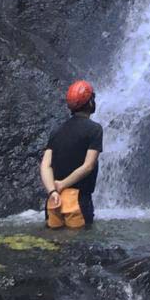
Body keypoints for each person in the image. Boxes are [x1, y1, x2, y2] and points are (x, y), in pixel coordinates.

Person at [40, 79, 103, 229]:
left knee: (54, 245)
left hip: (54, 201)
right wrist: (63, 184)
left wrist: (53, 190)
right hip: (78, 200)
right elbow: (88, 166)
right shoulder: (94, 129)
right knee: (78, 247)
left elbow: (45, 165)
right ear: (89, 103)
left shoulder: (57, 131)